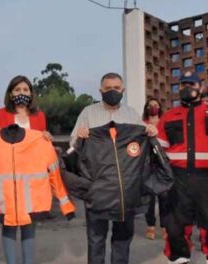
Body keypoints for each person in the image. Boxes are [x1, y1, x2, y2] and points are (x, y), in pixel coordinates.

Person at [70, 72, 158, 264]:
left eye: (116, 88)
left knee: (122, 239)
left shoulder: (131, 115)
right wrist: (80, 136)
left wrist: (150, 131)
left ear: (123, 90)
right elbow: (73, 145)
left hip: (124, 189)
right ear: (100, 90)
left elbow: (141, 143)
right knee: (96, 239)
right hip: (97, 187)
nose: (112, 91)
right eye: (108, 88)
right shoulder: (88, 113)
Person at [0, 124, 75, 264]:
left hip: (32, 202)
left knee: (26, 229)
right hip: (3, 202)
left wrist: (66, 205)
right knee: (11, 229)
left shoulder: (40, 140)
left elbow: (54, 174)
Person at [158, 71, 208, 264]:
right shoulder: (168, 117)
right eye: (183, 85)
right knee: (175, 225)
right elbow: (159, 153)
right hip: (177, 179)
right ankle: (178, 258)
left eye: (192, 84)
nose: (187, 88)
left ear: (201, 87)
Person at [0, 75, 52, 140]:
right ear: (11, 95)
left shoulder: (39, 116)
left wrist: (47, 136)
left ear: (30, 94)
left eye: (25, 90)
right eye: (17, 90)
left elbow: (41, 141)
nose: (22, 93)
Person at [142, 98, 167, 240]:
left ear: (160, 107)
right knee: (149, 198)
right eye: (150, 105)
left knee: (164, 198)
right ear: (146, 108)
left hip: (163, 164)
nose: (153, 107)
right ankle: (150, 226)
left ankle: (164, 227)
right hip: (148, 165)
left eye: (156, 105)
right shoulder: (142, 124)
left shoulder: (165, 122)